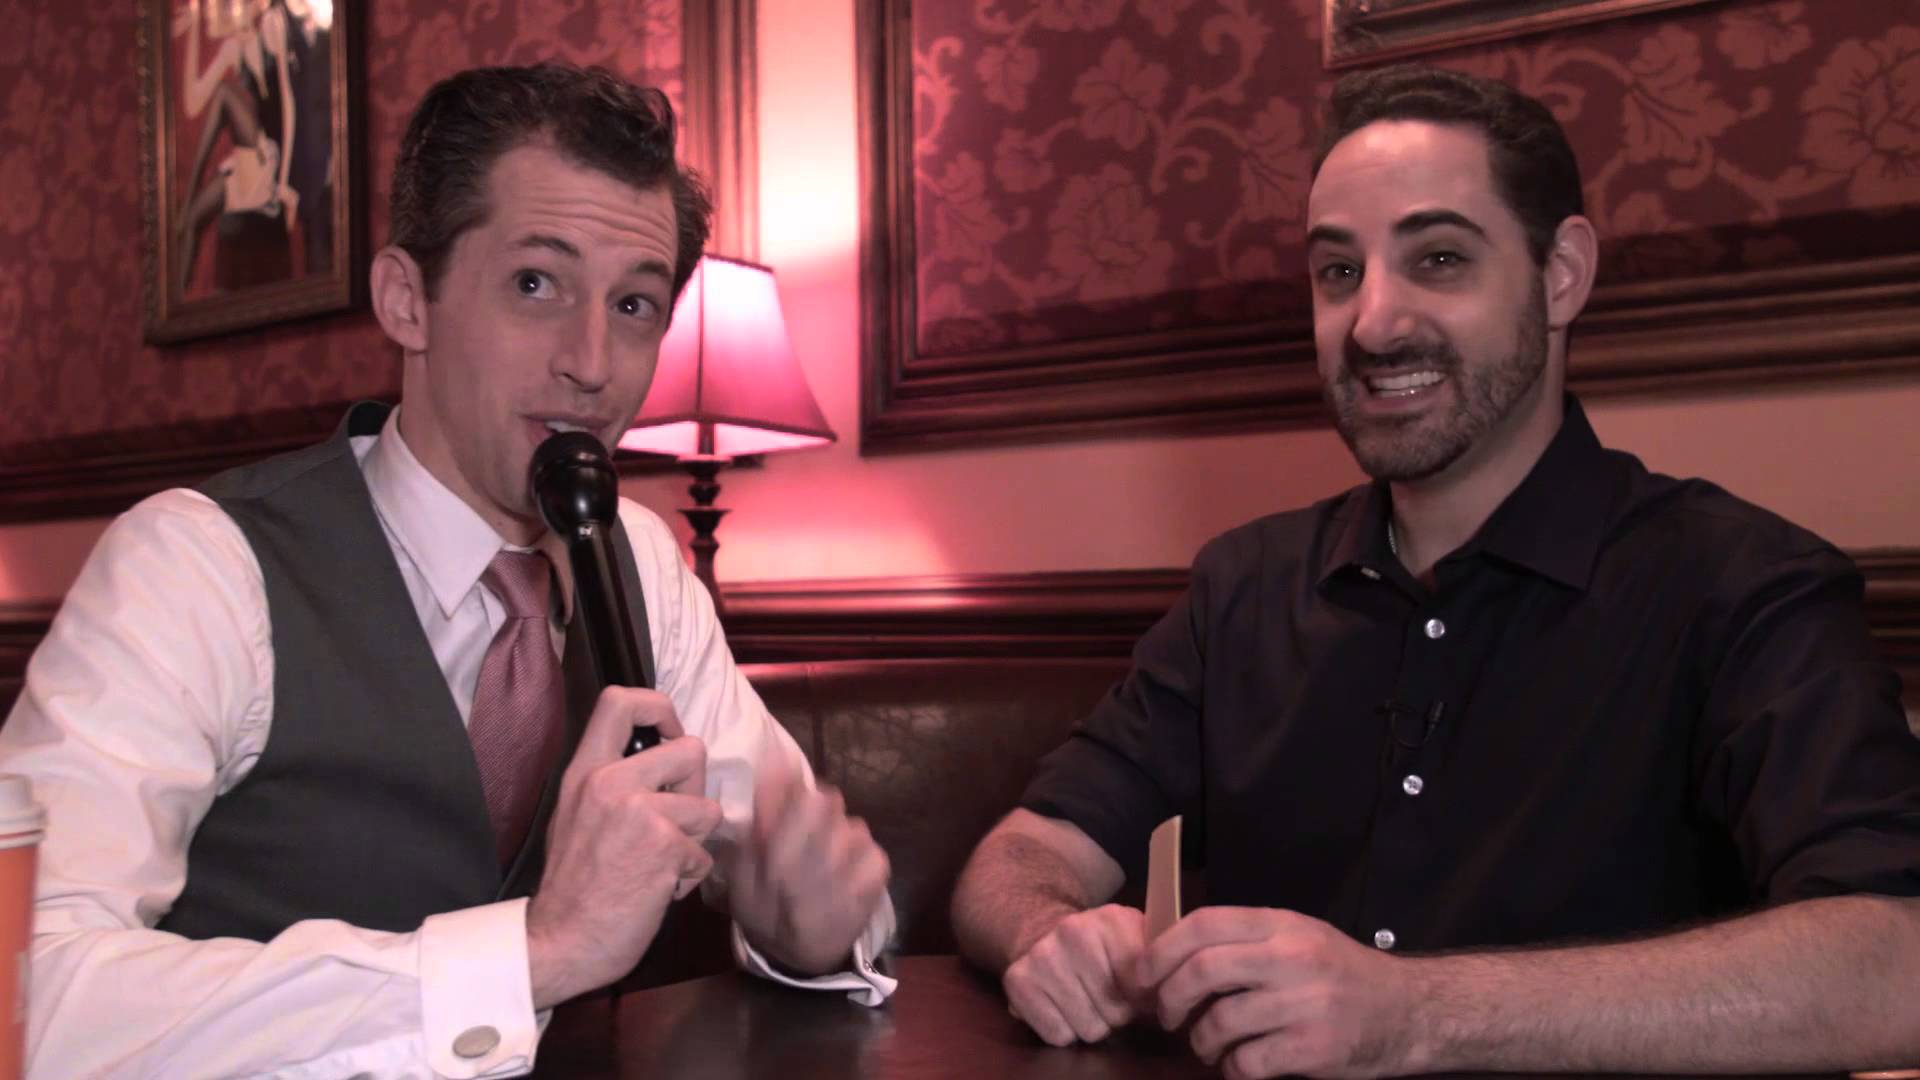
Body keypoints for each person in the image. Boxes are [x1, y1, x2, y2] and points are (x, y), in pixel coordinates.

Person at [952, 64, 1920, 1079]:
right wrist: (1046, 935)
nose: (1373, 324)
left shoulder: (1744, 585)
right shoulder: (1242, 586)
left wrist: (1417, 1013)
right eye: (1338, 272)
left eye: (1441, 258)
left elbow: (1898, 960)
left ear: (1562, 275)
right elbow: (1020, 855)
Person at [1, 63, 893, 1079]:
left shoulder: (642, 561)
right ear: (406, 301)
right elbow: (23, 994)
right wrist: (534, 954)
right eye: (535, 284)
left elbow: (813, 870)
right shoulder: (196, 564)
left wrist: (809, 923)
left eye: (636, 304)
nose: (592, 362)